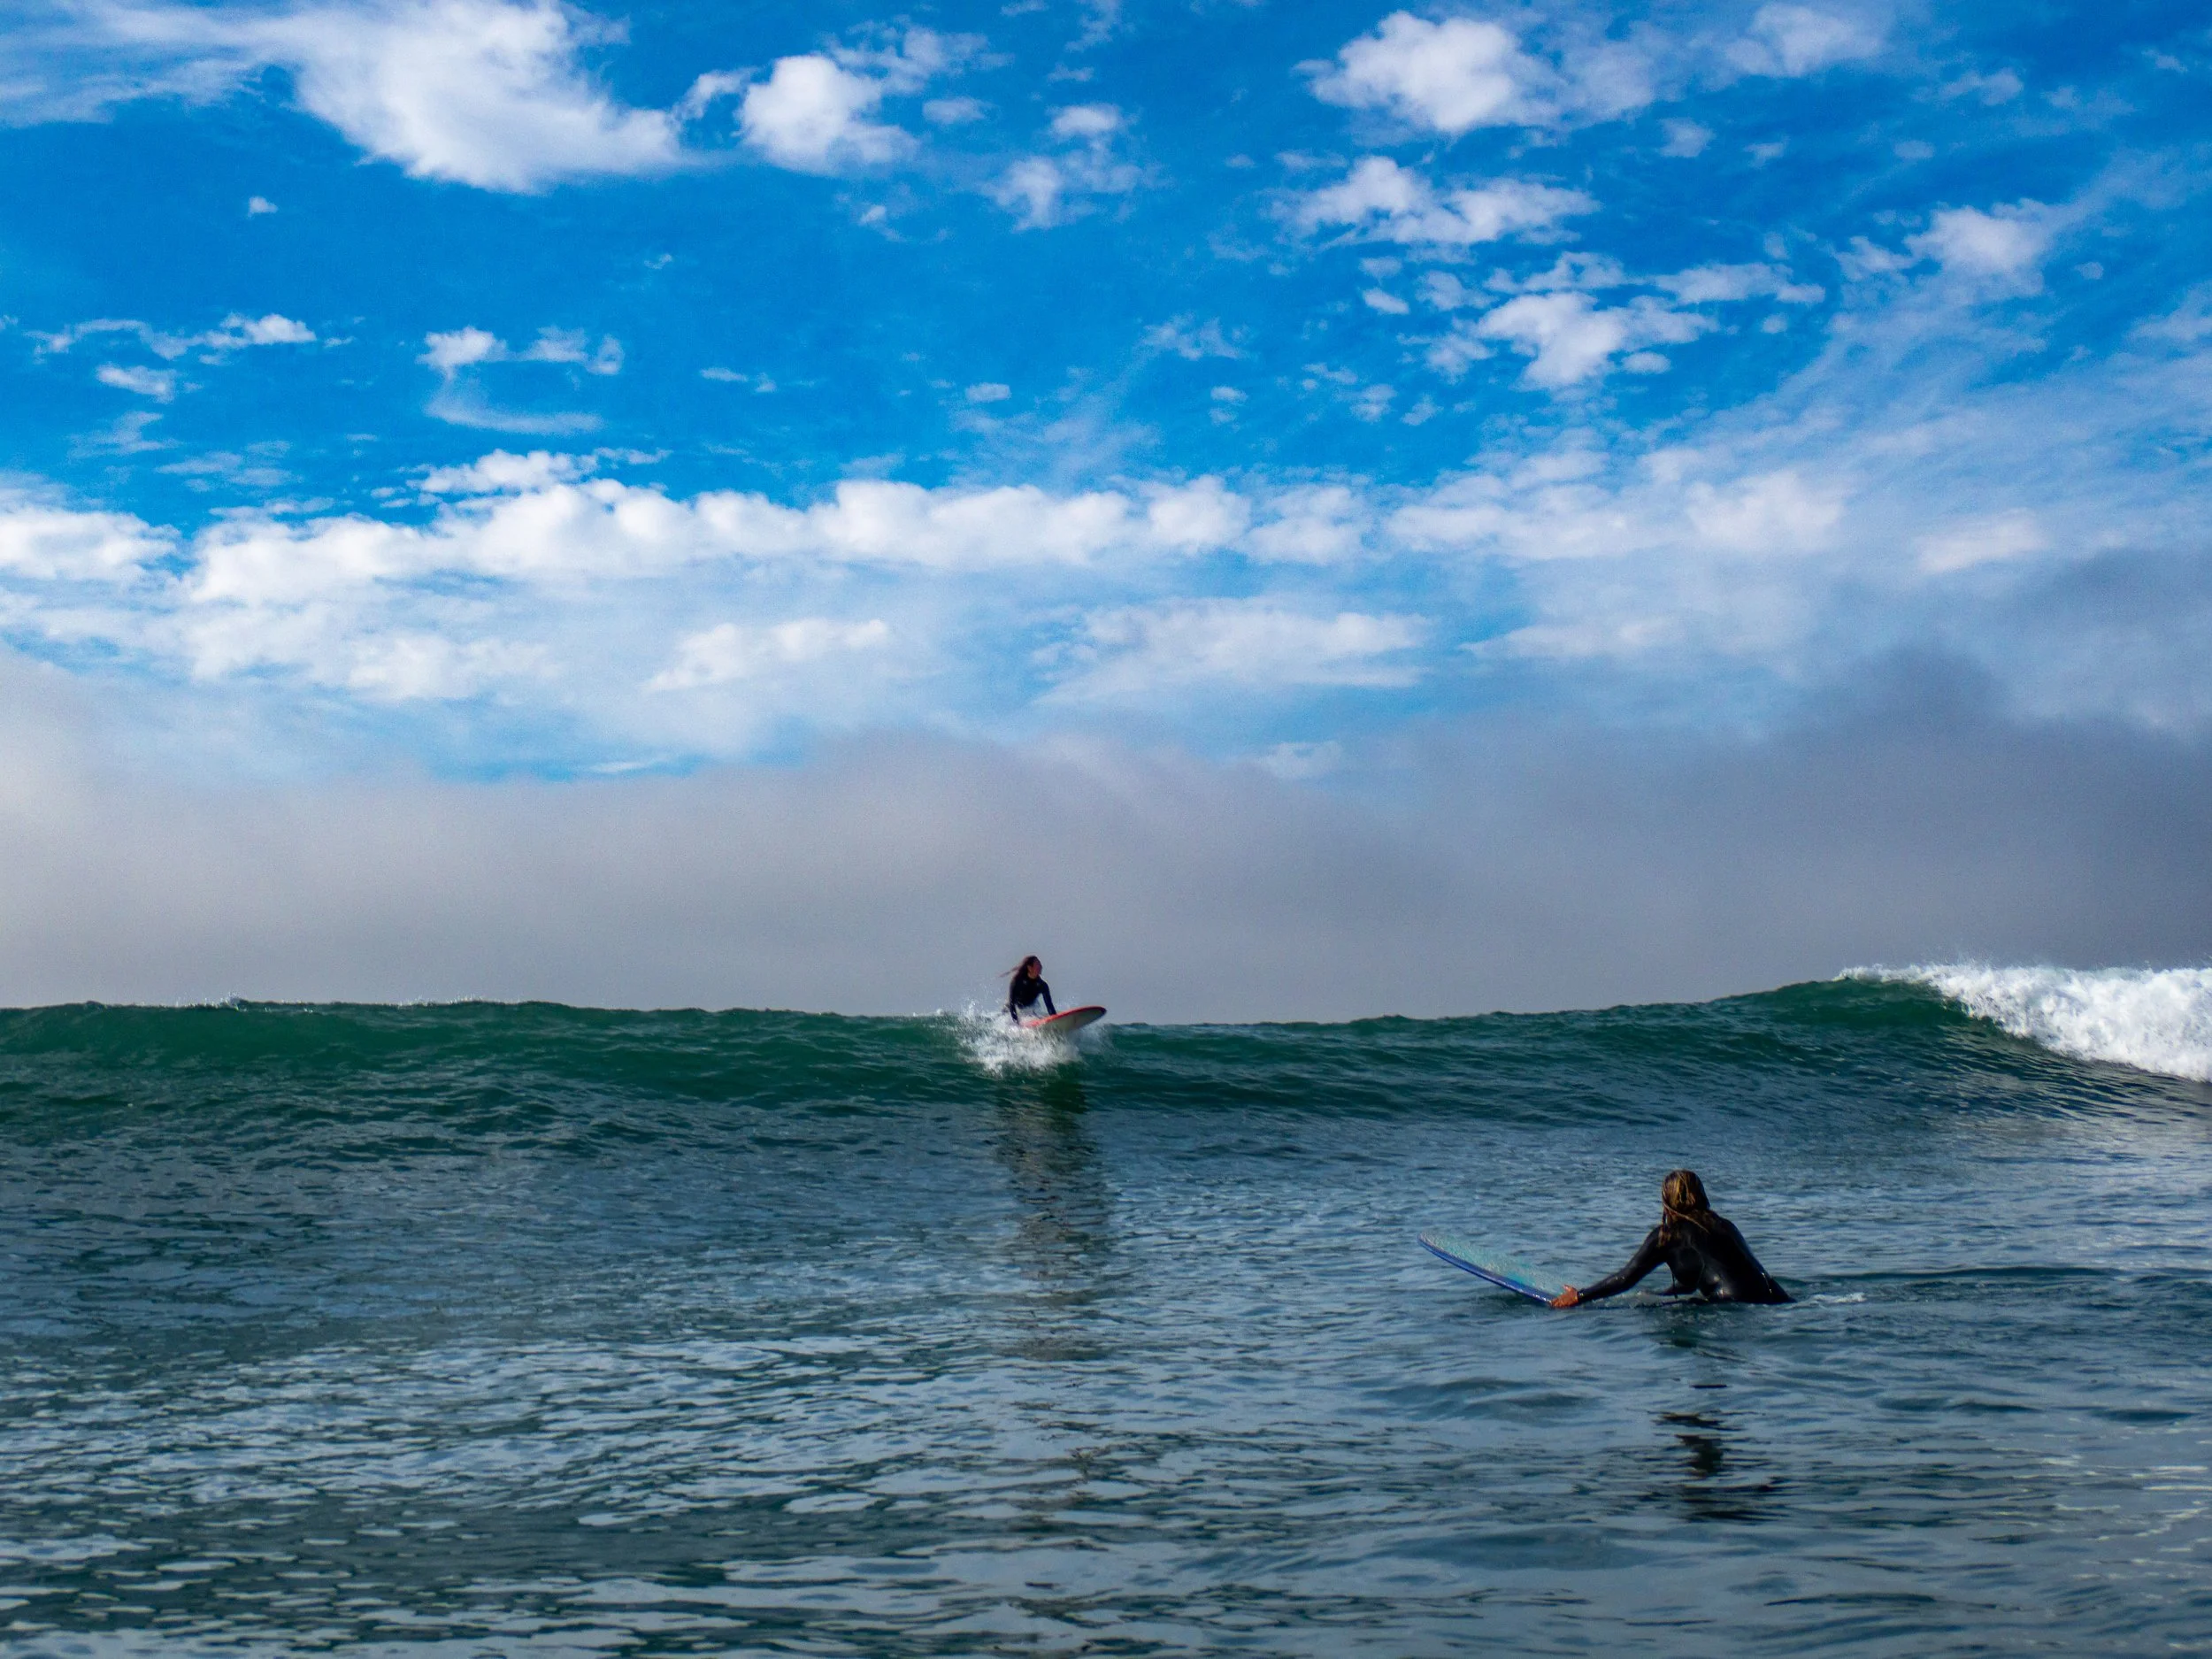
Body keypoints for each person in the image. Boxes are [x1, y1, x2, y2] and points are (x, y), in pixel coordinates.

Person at [1550, 1169, 1789, 1308]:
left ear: (1667, 1202)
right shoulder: (1723, 1225)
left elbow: (1625, 1278)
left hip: (1732, 1308)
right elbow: (1718, 1272)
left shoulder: (1667, 1236)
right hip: (1776, 1299)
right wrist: (1658, 1295)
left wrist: (1580, 1296)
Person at [1006, 956, 1056, 1025]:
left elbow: (1049, 1006)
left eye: (1040, 964)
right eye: (1037, 964)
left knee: (1034, 1015)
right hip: (1012, 1009)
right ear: (1029, 968)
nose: (1040, 966)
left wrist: (1055, 1020)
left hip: (1030, 1008)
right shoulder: (1017, 981)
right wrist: (1017, 1024)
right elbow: (1012, 1004)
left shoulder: (1042, 985)